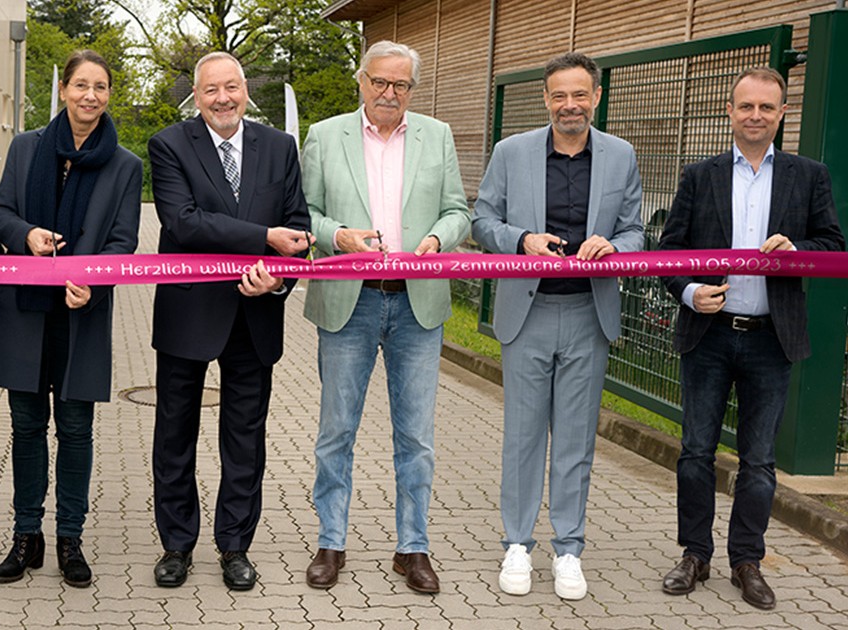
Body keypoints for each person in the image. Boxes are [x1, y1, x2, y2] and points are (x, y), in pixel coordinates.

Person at [657, 67, 843, 610]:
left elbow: (832, 244)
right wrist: (690, 291)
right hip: (709, 334)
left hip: (771, 338)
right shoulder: (700, 175)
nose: (755, 116)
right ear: (730, 111)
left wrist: (798, 250)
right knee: (696, 452)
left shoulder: (809, 176)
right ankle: (695, 554)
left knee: (759, 460)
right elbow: (669, 251)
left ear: (782, 113)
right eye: (746, 106)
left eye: (766, 107)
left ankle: (747, 561)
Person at [300, 40, 470, 594]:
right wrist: (338, 236)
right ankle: (330, 542)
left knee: (416, 437)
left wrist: (437, 238)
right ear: (361, 81)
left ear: (412, 89)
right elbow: (304, 213)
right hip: (349, 302)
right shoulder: (325, 135)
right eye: (380, 81)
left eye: (401, 84)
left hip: (417, 304)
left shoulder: (436, 136)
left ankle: (412, 548)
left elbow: (458, 210)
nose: (389, 93)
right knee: (336, 431)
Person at [472, 52, 643, 601]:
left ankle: (568, 549)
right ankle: (517, 544)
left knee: (575, 440)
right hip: (528, 313)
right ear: (545, 99)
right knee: (522, 438)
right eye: (559, 95)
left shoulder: (621, 155)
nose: (570, 105)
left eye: (580, 94)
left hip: (589, 314)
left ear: (596, 97)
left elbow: (636, 231)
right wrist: (520, 239)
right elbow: (482, 220)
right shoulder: (511, 152)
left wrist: (613, 246)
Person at [0, 49, 141, 589]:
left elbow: (123, 243)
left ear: (109, 95)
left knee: (75, 429)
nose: (90, 95)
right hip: (25, 313)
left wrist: (92, 283)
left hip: (80, 313)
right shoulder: (26, 147)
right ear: (64, 89)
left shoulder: (126, 165)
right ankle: (26, 535)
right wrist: (26, 235)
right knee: (25, 427)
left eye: (101, 86)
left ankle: (70, 537)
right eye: (81, 85)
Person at [148, 51, 311, 591]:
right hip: (189, 311)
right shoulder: (169, 144)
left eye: (232, 87)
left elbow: (298, 225)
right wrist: (263, 239)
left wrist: (278, 277)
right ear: (196, 96)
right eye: (211, 90)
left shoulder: (280, 147)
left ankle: (235, 546)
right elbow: (183, 222)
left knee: (245, 440)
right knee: (175, 435)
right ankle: (176, 545)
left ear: (245, 91)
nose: (223, 98)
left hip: (255, 312)